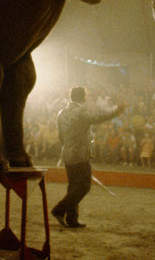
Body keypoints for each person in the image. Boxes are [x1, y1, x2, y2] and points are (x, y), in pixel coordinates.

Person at [51, 86, 124, 229]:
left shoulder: (61, 113)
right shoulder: (81, 111)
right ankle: (59, 210)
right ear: (83, 97)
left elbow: (60, 135)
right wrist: (115, 111)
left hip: (67, 153)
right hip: (80, 154)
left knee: (73, 187)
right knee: (84, 186)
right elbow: (98, 118)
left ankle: (72, 219)